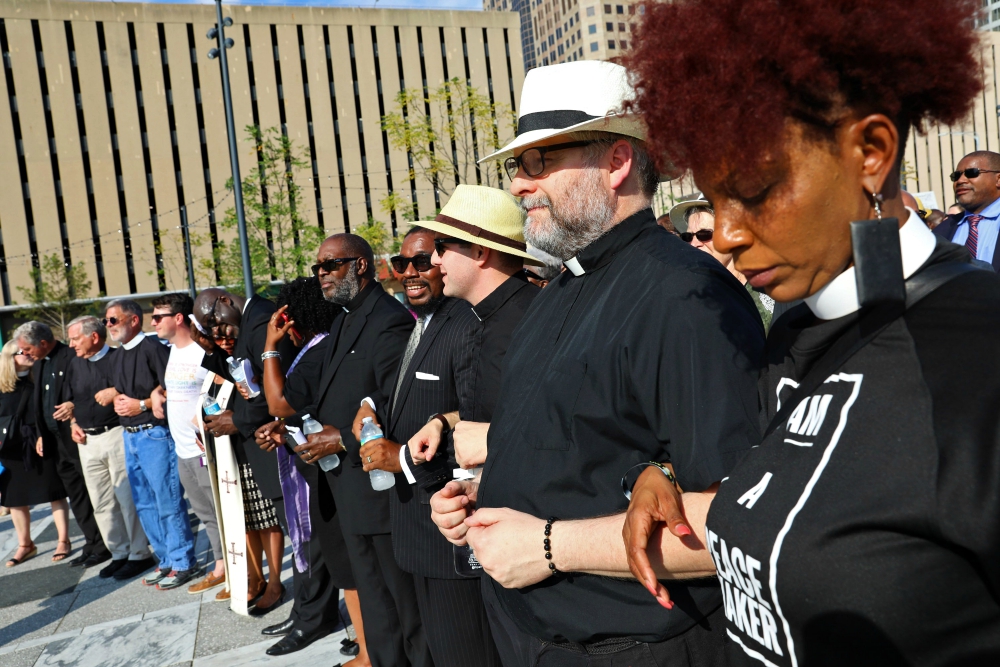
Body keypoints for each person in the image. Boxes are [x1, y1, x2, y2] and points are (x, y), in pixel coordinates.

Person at [619, 0, 1000, 664]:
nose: (729, 235)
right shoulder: (794, 326)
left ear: (871, 153)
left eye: (758, 189)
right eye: (715, 199)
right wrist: (668, 474)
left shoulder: (980, 352)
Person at [430, 60, 765, 667]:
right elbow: (586, 455)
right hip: (536, 636)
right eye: (517, 166)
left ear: (616, 163)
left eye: (540, 162)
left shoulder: (685, 294)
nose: (519, 186)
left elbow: (740, 524)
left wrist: (550, 546)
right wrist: (482, 501)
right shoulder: (557, 291)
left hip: (637, 648)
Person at [259, 234, 426, 667]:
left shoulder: (389, 319)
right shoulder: (344, 319)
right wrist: (296, 430)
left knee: (406, 616)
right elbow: (316, 399)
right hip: (347, 496)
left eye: (331, 266)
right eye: (318, 267)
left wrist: (341, 439)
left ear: (361, 266)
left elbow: (396, 402)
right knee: (377, 612)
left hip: (380, 494)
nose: (321, 275)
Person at [351, 223, 502, 667]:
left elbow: (481, 425)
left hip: (447, 529)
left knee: (467, 652)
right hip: (413, 529)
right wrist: (368, 405)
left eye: (422, 260)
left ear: (442, 260)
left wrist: (399, 460)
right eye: (402, 264)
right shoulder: (424, 322)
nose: (411, 272)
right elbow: (402, 393)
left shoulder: (466, 325)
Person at [254, 277, 369, 663]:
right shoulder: (322, 345)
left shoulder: (319, 348)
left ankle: (368, 651)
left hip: (337, 471)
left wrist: (271, 346)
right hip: (324, 465)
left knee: (351, 568)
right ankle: (363, 641)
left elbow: (280, 402)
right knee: (346, 566)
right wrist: (284, 430)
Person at [407, 185, 541, 475]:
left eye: (441, 247)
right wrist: (443, 422)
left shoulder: (535, 322)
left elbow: (563, 428)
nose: (433, 260)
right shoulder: (481, 318)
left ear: (480, 251)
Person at [191, 288, 293, 617]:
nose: (216, 329)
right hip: (248, 437)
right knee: (251, 518)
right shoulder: (248, 321)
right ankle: (261, 580)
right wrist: (208, 349)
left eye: (214, 320)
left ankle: (283, 588)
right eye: (208, 326)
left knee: (278, 521)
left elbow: (266, 389)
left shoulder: (261, 318)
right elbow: (242, 376)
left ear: (225, 300)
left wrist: (238, 420)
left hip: (267, 435)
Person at [105, 299, 198, 589]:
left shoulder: (154, 349)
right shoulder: (118, 355)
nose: (109, 326)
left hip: (154, 434)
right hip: (129, 435)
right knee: (144, 504)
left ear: (133, 320)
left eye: (113, 320)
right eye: (107, 320)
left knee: (167, 500)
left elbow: (172, 388)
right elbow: (126, 390)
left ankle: (183, 561)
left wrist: (142, 403)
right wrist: (117, 397)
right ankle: (166, 559)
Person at [63, 315, 153, 580]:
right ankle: (119, 552)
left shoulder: (118, 358)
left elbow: (139, 386)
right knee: (101, 502)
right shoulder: (74, 364)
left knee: (127, 498)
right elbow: (71, 399)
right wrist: (73, 423)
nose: (71, 345)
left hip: (115, 434)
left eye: (75, 338)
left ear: (93, 336)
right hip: (86, 440)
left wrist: (114, 390)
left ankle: (139, 554)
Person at [15, 321, 109, 567]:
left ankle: (105, 544)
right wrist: (39, 434)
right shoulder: (41, 363)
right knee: (76, 495)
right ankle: (92, 543)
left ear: (43, 343)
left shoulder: (70, 357)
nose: (24, 354)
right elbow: (42, 402)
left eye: (26, 349)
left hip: (76, 437)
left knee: (93, 493)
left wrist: (74, 405)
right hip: (55, 442)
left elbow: (87, 389)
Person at [150, 293, 225, 595]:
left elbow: (220, 386)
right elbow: (177, 385)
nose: (152, 323)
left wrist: (206, 420)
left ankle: (236, 570)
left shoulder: (200, 350)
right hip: (181, 450)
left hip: (203, 448)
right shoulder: (173, 351)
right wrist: (157, 393)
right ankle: (221, 565)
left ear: (178, 318)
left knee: (220, 511)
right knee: (205, 513)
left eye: (158, 317)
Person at [0, 341, 70, 567]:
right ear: (10, 357)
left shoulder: (38, 380)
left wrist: (42, 435)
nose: (30, 355)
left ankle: (63, 540)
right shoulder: (2, 385)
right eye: (24, 352)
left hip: (40, 442)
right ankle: (25, 544)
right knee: (16, 498)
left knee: (54, 491)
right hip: (11, 448)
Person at [670, 194, 776, 330]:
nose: (694, 243)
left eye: (704, 234)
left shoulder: (769, 289)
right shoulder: (691, 293)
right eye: (688, 236)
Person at [933, 150, 1000, 271]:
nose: (960, 180)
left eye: (972, 173)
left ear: (998, 179)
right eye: (956, 176)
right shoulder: (942, 230)